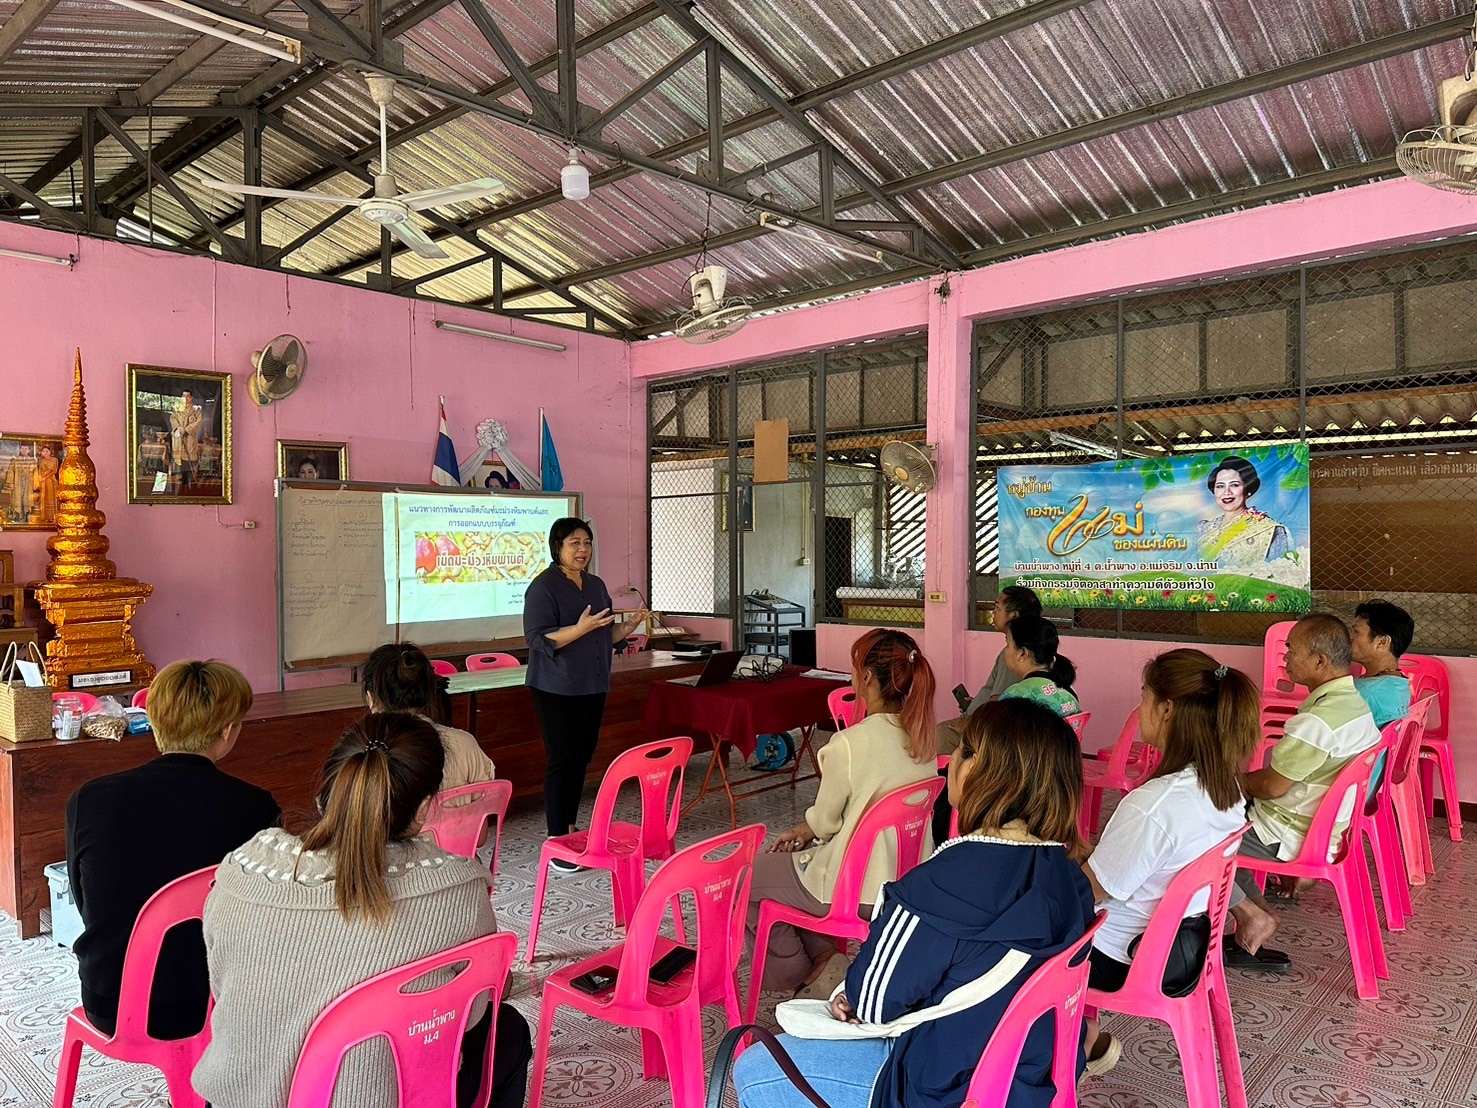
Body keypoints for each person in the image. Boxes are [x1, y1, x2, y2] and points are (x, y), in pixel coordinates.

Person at [732, 699, 1095, 1108]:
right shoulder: (1070, 877)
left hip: (943, 1084)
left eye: (962, 751)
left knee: (754, 1070)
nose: (951, 761)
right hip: (1033, 1070)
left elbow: (873, 1003)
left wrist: (852, 995)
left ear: (977, 770)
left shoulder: (939, 885)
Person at [194, 712, 532, 1108]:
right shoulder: (458, 889)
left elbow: (222, 988)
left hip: (235, 1099)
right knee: (508, 1030)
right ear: (424, 808)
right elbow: (471, 1013)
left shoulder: (243, 868)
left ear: (328, 791)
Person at [64, 660, 280, 1040]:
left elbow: (85, 900)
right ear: (227, 730)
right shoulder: (256, 807)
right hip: (212, 1004)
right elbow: (259, 918)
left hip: (109, 1002)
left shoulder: (89, 799)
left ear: (153, 720)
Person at [1078, 650, 1261, 1076]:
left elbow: (1086, 894)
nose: (1140, 707)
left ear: (1166, 709)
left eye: (1144, 696)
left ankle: (1068, 1047)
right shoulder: (1226, 789)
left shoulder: (1154, 805)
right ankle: (1085, 1036)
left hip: (1120, 959)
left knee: (1015, 928)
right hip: (1187, 951)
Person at [747, 629, 938, 998]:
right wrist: (806, 830)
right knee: (797, 865)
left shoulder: (849, 743)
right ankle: (825, 959)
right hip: (904, 881)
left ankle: (794, 974)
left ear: (866, 676)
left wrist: (807, 829)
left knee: (750, 876)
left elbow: (826, 823)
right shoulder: (922, 738)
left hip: (853, 887)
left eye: (854, 667)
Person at [1223, 614, 1381, 974]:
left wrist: (1230, 781)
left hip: (1289, 834)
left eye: (1292, 650)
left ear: (1320, 661)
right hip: (1326, 830)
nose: (1286, 658)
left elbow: (1272, 786)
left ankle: (1250, 916)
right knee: (1220, 817)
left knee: (1196, 838)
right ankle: (1256, 914)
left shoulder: (1317, 722)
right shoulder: (1355, 706)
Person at [521, 517, 650, 862]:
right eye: (574, 543)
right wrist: (579, 629)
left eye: (587, 543)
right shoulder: (543, 587)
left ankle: (569, 825)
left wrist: (630, 625)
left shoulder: (595, 584)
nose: (582, 550)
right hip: (556, 687)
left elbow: (606, 635)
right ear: (557, 547)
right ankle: (557, 838)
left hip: (593, 684)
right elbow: (537, 639)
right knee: (562, 759)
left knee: (581, 757)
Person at [361, 642, 495, 798]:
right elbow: (488, 804)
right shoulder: (465, 743)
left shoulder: (361, 753)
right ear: (428, 692)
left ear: (371, 698)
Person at [935, 585, 1041, 752]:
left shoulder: (1014, 658)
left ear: (1014, 615)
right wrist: (977, 702)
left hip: (983, 731)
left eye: (997, 607)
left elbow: (999, 707)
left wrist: (966, 722)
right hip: (983, 723)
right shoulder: (1032, 652)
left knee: (933, 737)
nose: (993, 612)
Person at [1195, 456, 1292, 570]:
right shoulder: (1204, 528)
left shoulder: (1269, 529)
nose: (1226, 492)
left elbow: (1281, 574)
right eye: (1220, 486)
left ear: (1248, 489)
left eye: (1234, 485)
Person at [997, 615, 1081, 719]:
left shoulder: (1015, 695)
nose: (1005, 650)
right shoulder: (1067, 690)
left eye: (1008, 644)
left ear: (1023, 653)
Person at [1350, 600, 1415, 728]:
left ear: (1382, 642)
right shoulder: (1400, 684)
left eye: (1356, 632)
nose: (1350, 638)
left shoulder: (1363, 692)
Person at [170, 389, 203, 488]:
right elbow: (173, 418)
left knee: (189, 456)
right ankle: (182, 477)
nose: (185, 398)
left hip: (190, 437)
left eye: (187, 396)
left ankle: (189, 478)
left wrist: (187, 429)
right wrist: (179, 427)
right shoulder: (177, 408)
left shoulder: (196, 409)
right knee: (180, 457)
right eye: (183, 396)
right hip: (179, 435)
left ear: (191, 398)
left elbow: (198, 422)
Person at [2, 443, 35, 524]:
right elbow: (10, 471)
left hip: (28, 483)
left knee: (27, 498)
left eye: (26, 449)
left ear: (29, 450)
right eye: (22, 448)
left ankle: (27, 516)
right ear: (20, 450)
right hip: (17, 482)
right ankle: (17, 516)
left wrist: (35, 484)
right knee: (17, 498)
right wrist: (11, 483)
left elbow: (36, 473)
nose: (24, 450)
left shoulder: (32, 461)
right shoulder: (15, 460)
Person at [33, 443, 59, 524]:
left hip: (51, 480)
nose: (45, 453)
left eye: (47, 451)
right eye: (43, 451)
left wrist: (45, 477)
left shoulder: (54, 460)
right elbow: (39, 470)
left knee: (51, 496)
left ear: (50, 452)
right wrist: (40, 478)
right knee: (44, 497)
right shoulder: (41, 460)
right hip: (43, 481)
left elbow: (55, 471)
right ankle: (45, 517)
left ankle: (52, 516)